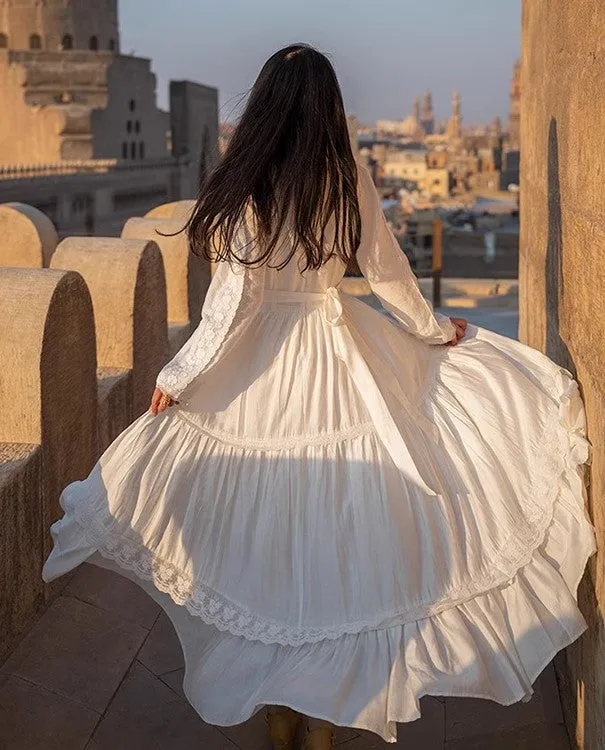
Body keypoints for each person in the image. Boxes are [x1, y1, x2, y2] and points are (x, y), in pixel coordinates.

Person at [43, 44, 597, 747]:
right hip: (340, 352)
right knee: (335, 539)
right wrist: (431, 332)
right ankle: (328, 717)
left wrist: (177, 379)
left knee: (270, 548)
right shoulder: (345, 178)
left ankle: (283, 718)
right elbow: (388, 270)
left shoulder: (250, 186)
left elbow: (230, 302)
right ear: (327, 107)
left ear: (267, 106)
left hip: (260, 366)